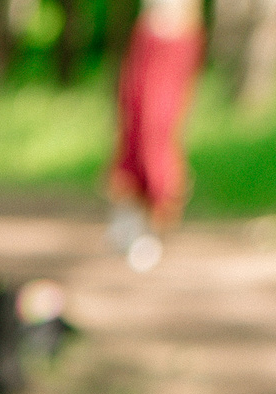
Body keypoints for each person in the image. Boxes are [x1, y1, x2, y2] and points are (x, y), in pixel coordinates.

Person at [103, 0, 200, 273]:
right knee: (133, 144)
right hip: (147, 61)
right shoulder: (147, 28)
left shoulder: (181, 30)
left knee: (155, 146)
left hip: (168, 60)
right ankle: (130, 224)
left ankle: (149, 231)